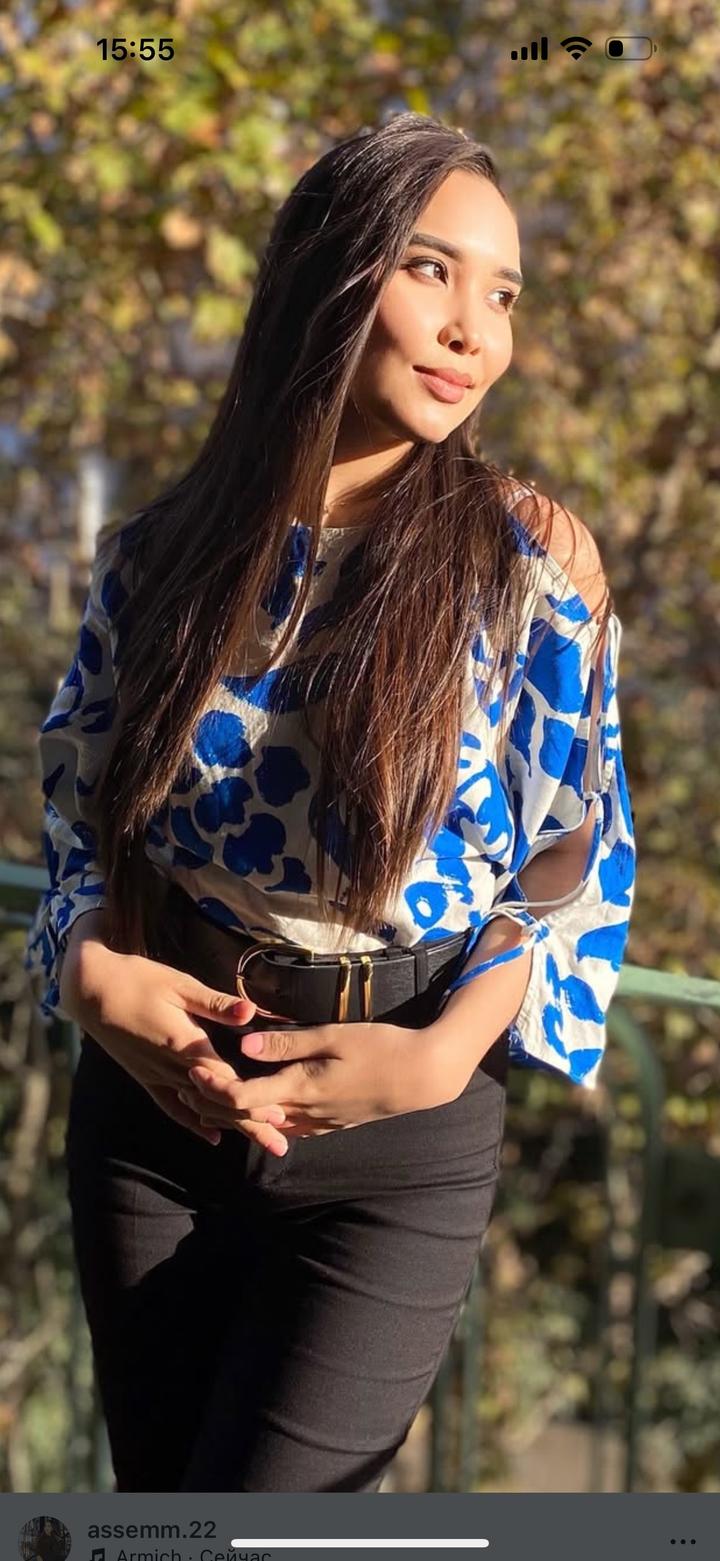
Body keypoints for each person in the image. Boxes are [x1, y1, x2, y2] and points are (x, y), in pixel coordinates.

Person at [24, 112, 636, 1494]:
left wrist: (441, 1058)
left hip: (399, 1126)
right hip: (161, 1107)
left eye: (504, 293)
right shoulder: (163, 556)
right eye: (431, 269)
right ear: (330, 272)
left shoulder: (533, 566)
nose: (474, 329)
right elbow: (81, 809)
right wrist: (88, 968)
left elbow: (572, 855)